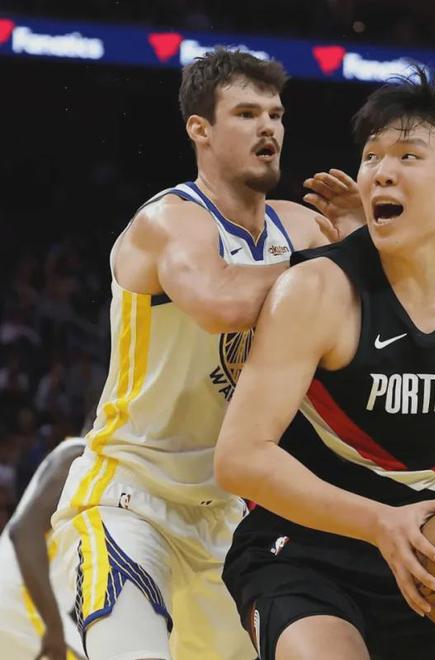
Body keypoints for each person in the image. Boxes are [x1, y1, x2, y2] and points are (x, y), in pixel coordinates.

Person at [215, 67, 435, 660]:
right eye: (371, 156)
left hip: (433, 559)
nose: (381, 171)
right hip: (303, 551)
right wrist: (378, 521)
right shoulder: (318, 290)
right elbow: (240, 457)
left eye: (408, 155)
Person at [51, 48, 362, 660]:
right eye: (246, 114)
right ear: (200, 128)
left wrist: (359, 237)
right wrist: (340, 264)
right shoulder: (170, 221)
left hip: (230, 517)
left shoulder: (301, 228)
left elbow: (379, 308)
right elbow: (222, 301)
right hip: (129, 499)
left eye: (275, 114)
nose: (268, 127)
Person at [0, 436, 85, 660]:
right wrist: (54, 626)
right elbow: (24, 532)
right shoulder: (81, 456)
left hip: (25, 605)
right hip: (22, 602)